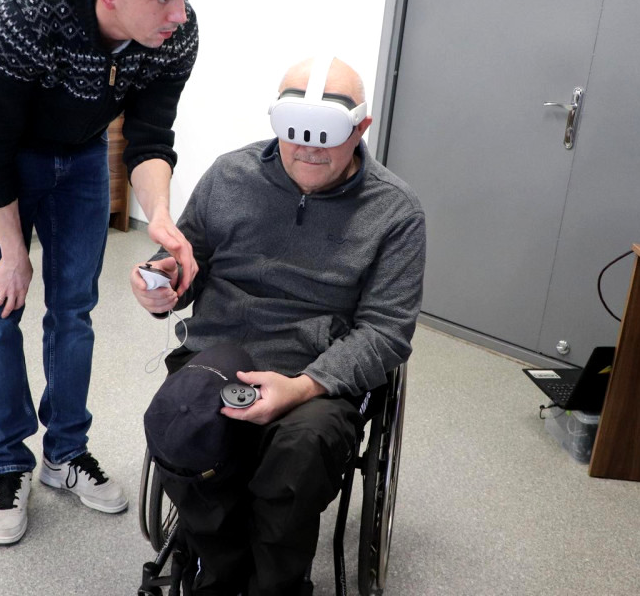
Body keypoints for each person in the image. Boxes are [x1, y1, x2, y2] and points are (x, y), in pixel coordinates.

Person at [0, 0, 202, 546]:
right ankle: (8, 463)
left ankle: (64, 453)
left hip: (84, 149)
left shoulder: (175, 33)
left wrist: (160, 218)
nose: (180, 14)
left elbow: (150, 139)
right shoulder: (27, 6)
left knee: (74, 309)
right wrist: (14, 252)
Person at [132, 56, 427, 595]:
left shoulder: (395, 212)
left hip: (319, 369)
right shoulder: (230, 175)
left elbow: (386, 331)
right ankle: (218, 571)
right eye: (295, 133)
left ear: (360, 127)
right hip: (224, 347)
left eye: (326, 135)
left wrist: (304, 387)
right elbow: (186, 260)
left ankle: (277, 585)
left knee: (299, 452)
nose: (309, 149)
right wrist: (163, 280)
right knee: (181, 418)